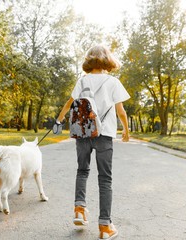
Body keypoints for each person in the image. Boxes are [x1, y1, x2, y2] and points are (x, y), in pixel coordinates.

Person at [55, 45, 130, 240]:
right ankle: (105, 227)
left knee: (82, 171)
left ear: (89, 60)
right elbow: (120, 111)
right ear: (108, 60)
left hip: (83, 133)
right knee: (105, 179)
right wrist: (126, 131)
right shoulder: (113, 82)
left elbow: (69, 104)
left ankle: (79, 210)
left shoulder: (83, 80)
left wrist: (58, 120)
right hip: (104, 135)